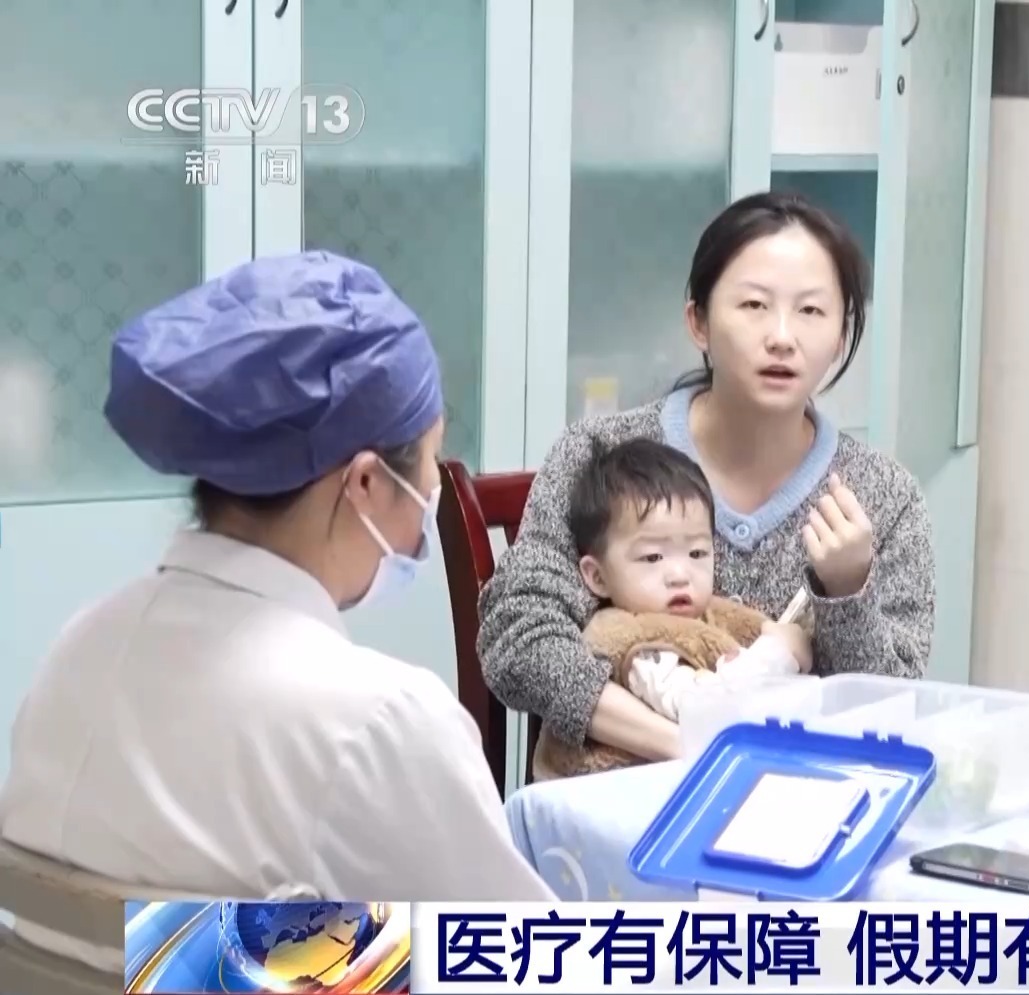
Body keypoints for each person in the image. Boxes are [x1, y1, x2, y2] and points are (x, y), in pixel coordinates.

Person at [0, 252, 554, 967]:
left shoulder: (82, 644)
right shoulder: (378, 721)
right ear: (364, 481)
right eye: (429, 460)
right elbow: (525, 962)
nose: (432, 494)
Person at [480, 191, 935, 771]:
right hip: (616, 800)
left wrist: (847, 594)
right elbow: (517, 638)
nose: (782, 336)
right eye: (754, 305)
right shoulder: (598, 453)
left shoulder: (884, 497)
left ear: (840, 339)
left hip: (796, 800)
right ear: (698, 321)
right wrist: (684, 744)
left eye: (811, 311)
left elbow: (889, 706)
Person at [533, 437, 815, 780]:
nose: (681, 574)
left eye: (697, 553)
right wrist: (778, 654)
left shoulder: (709, 614)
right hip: (619, 797)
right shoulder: (632, 643)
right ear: (597, 576)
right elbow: (703, 709)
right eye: (653, 557)